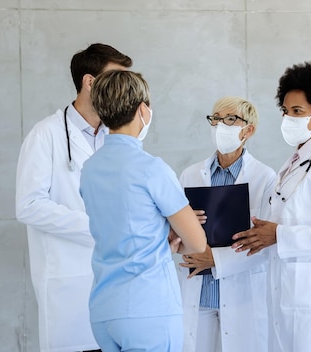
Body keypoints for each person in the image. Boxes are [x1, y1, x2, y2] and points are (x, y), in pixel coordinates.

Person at [229, 62, 311, 352]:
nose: (288, 118)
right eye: (285, 111)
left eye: (297, 111)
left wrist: (279, 235)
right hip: (286, 298)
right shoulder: (295, 162)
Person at [79, 70, 207, 351]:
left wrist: (160, 237)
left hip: (103, 312)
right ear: (142, 110)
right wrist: (171, 236)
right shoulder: (151, 168)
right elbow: (197, 243)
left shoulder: (89, 169)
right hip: (147, 310)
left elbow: (122, 227)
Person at [15, 43, 131, 352]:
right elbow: (28, 206)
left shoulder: (117, 136)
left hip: (116, 283)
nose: (123, 89)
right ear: (90, 81)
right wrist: (96, 226)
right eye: (115, 79)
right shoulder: (47, 135)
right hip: (68, 285)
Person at [176, 96, 276, 352]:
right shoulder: (190, 175)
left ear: (248, 130)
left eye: (230, 120)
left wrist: (215, 259)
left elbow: (265, 242)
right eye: (216, 119)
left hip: (242, 292)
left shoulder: (265, 178)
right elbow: (175, 235)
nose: (221, 126)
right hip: (199, 292)